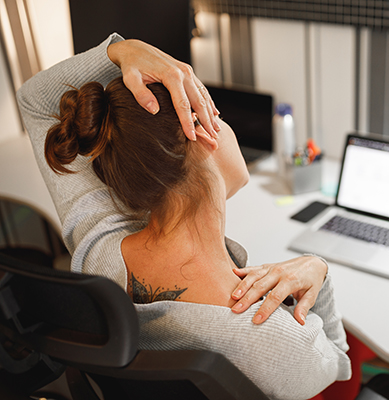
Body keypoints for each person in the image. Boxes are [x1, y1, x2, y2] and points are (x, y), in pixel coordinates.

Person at [17, 33, 351, 399]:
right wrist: (317, 269)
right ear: (202, 130)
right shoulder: (270, 334)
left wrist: (122, 50)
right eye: (218, 114)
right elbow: (338, 363)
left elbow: (35, 102)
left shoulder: (98, 250)